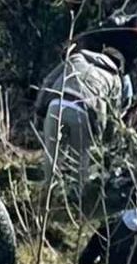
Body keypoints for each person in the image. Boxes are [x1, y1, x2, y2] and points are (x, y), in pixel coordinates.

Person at [34, 46, 128, 191]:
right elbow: (112, 115)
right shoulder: (115, 78)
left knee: (52, 154)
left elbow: (48, 80)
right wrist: (106, 139)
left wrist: (39, 110)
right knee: (80, 158)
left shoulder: (76, 58)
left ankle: (49, 191)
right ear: (118, 66)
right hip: (83, 111)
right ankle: (75, 195)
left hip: (56, 104)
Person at [80, 8, 137, 91]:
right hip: (99, 64)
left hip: (121, 73)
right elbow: (90, 36)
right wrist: (102, 54)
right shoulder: (116, 25)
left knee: (128, 96)